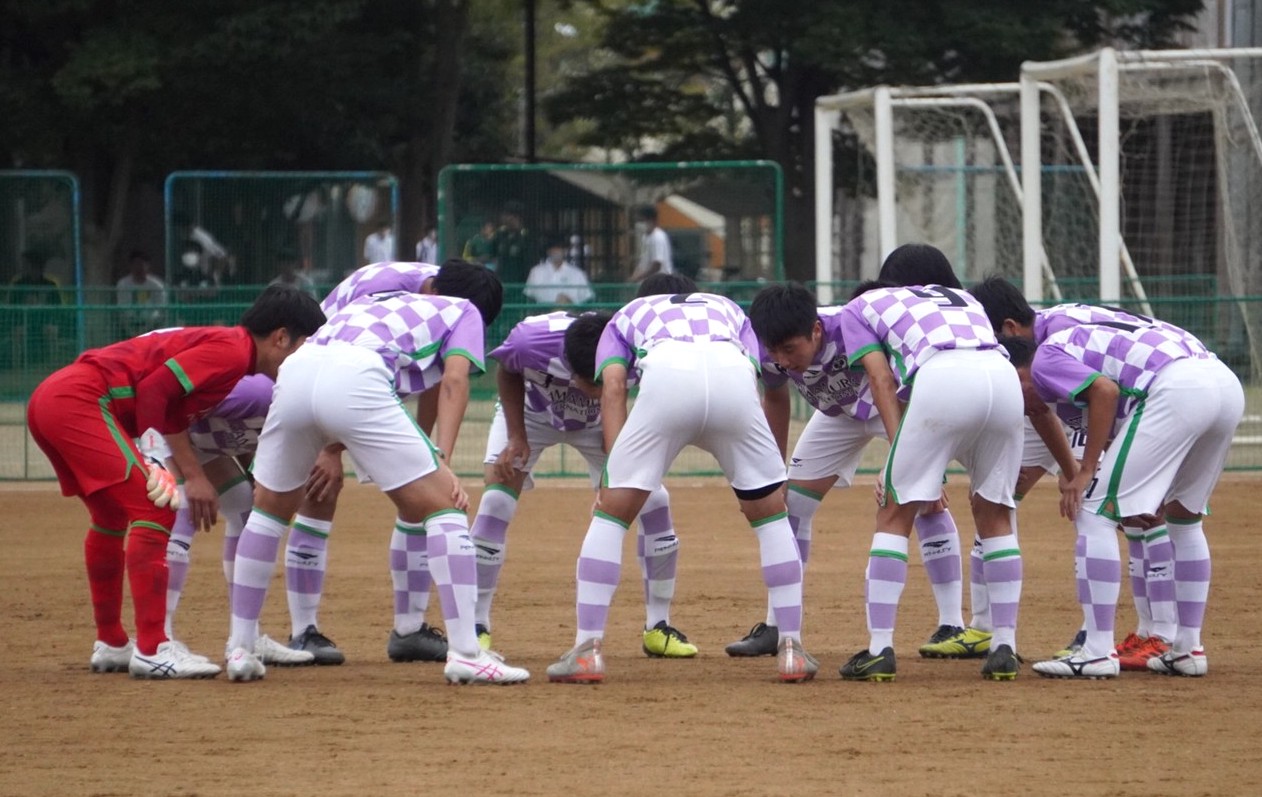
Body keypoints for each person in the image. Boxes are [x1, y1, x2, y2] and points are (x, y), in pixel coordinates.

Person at [223, 282, 528, 685]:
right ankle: (467, 653)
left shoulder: (376, 299)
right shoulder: (465, 309)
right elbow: (454, 381)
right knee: (445, 507)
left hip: (298, 369)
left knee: (267, 512)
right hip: (356, 373)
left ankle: (241, 647)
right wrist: (443, 459)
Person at [25, 285, 326, 679]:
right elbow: (153, 389)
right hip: (81, 400)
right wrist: (158, 460)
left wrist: (195, 473)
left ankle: (113, 642)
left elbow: (173, 412)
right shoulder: (232, 350)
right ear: (280, 337)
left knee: (111, 516)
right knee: (157, 504)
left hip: (58, 399)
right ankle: (152, 648)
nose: (304, 358)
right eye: (304, 345)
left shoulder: (236, 356)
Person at [546, 287, 817, 684]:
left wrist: (614, 477)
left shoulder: (627, 314)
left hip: (668, 377)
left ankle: (586, 650)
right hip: (733, 379)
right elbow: (755, 372)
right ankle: (792, 649)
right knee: (772, 519)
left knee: (610, 518)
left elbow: (615, 388)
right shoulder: (726, 304)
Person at [730, 282, 969, 658]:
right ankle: (777, 625)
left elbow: (883, 381)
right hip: (837, 416)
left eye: (791, 350)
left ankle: (952, 623)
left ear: (816, 331)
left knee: (923, 498)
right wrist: (771, 471)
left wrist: (909, 457)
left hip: (888, 404)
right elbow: (775, 399)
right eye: (775, 351)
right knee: (789, 505)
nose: (784, 360)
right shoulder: (766, 350)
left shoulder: (848, 324)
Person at [1005, 311, 1243, 680]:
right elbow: (1122, 417)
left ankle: (1097, 651)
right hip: (1224, 385)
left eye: (1015, 387)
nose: (1022, 400)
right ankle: (1187, 649)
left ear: (1018, 369)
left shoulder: (1046, 358)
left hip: (1177, 388)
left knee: (1094, 513)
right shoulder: (1078, 344)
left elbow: (1106, 391)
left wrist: (1085, 471)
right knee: (1182, 518)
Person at [968, 276, 1191, 669]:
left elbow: (1107, 392)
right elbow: (1039, 410)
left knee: (1120, 508)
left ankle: (1147, 632)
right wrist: (1071, 471)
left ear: (1008, 329)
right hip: (1065, 408)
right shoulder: (1043, 341)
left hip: (1125, 401)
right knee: (998, 493)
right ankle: (989, 626)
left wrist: (1086, 470)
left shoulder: (1057, 340)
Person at [472, 286, 695, 659]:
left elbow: (624, 406)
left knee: (655, 502)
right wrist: (516, 435)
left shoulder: (635, 349)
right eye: (580, 378)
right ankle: (476, 625)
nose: (581, 387)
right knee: (495, 501)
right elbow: (507, 370)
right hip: (532, 414)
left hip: (597, 424)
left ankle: (658, 626)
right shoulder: (531, 341)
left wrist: (616, 474)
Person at [836, 268, 1025, 682]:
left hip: (944, 376)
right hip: (1002, 376)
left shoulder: (858, 308)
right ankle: (1004, 645)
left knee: (894, 513)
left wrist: (896, 456)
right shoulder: (959, 296)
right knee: (995, 514)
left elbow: (881, 377)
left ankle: (879, 648)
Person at [141, 373, 336, 668]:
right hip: (161, 425)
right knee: (180, 507)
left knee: (245, 511)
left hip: (198, 439)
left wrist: (255, 473)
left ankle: (246, 638)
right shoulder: (259, 392)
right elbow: (172, 408)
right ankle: (158, 639)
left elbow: (246, 435)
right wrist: (193, 477)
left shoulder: (305, 403)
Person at [7, 248, 65, 365]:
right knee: (18, 333)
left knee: (51, 331)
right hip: (23, 320)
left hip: (45, 320)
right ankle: (16, 368)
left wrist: (43, 308)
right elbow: (11, 305)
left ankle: (53, 365)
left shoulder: (50, 284)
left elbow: (58, 305)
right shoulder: (18, 283)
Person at [523, 239, 594, 306]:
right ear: (548, 252)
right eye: (553, 249)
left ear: (565, 251)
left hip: (569, 314)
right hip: (543, 314)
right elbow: (529, 296)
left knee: (563, 301)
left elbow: (587, 298)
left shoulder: (577, 273)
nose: (556, 252)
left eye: (559, 249)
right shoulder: (536, 271)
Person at [115, 250, 168, 337]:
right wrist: (132, 320)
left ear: (148, 266)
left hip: (151, 324)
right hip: (129, 324)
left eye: (142, 264)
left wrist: (150, 321)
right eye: (136, 264)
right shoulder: (123, 284)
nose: (139, 267)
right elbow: (122, 305)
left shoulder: (157, 285)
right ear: (130, 266)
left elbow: (161, 307)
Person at [490, 201, 533, 285]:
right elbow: (494, 255)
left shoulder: (525, 237)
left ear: (515, 217)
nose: (504, 218)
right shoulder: (500, 235)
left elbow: (529, 263)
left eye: (507, 215)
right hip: (501, 281)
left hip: (519, 283)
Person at [629, 205, 673, 282]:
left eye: (641, 220)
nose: (639, 224)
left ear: (651, 220)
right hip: (647, 282)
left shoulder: (658, 237)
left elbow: (657, 265)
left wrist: (637, 278)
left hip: (660, 282)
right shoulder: (646, 237)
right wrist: (635, 276)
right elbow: (643, 262)